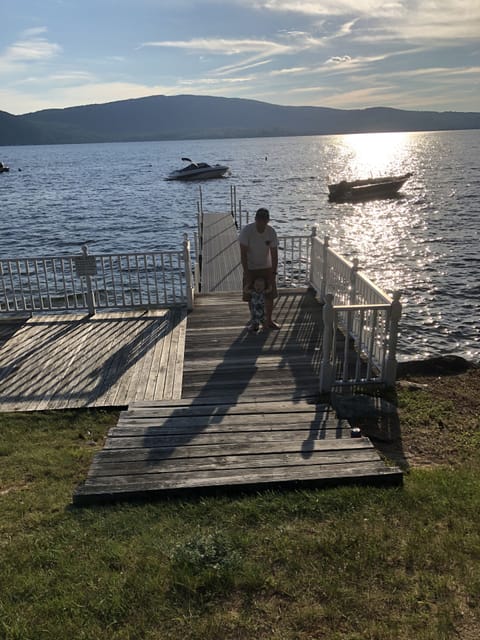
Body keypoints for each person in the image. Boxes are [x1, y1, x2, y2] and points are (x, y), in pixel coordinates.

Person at [239, 207, 280, 330]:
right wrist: (247, 273)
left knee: (270, 294)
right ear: (255, 219)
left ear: (268, 220)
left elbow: (274, 254)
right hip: (250, 266)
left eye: (264, 220)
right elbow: (243, 254)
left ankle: (268, 321)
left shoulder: (271, 232)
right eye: (259, 220)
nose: (261, 223)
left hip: (266, 266)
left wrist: (273, 272)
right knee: (250, 295)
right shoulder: (247, 231)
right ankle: (255, 322)